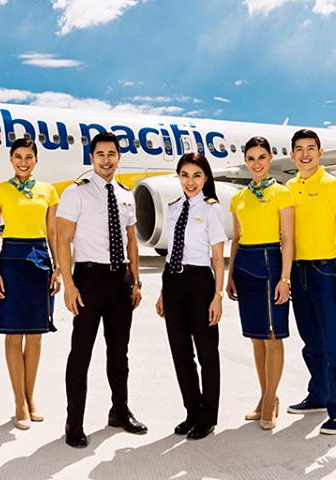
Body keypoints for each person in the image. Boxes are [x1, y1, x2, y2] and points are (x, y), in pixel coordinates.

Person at [56, 131, 147, 448]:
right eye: (100, 155)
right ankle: (74, 422)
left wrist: (135, 280)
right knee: (81, 353)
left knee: (119, 352)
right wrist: (69, 285)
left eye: (111, 154)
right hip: (88, 279)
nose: (106, 160)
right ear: (91, 158)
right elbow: (63, 240)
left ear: (118, 158)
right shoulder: (75, 193)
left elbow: (131, 239)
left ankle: (119, 411)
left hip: (120, 281)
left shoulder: (125, 195)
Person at [283, 129, 336, 435]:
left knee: (335, 345)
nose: (305, 154)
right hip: (297, 272)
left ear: (320, 152)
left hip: (326, 272)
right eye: (299, 149)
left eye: (311, 148)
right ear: (292, 155)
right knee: (311, 343)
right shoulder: (289, 187)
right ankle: (318, 395)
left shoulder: (334, 185)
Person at [0, 137, 61, 431]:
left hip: (41, 262)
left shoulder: (48, 191)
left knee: (37, 335)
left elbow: (52, 232)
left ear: (36, 160)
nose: (23, 162)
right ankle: (19, 401)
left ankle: (31, 398)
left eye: (29, 157)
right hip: (11, 262)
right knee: (14, 335)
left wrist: (58, 268)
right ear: (11, 159)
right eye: (18, 156)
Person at [155, 153, 227, 440]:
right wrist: (163, 292)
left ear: (206, 178)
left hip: (200, 283)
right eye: (184, 175)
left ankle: (207, 417)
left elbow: (218, 258)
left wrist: (217, 295)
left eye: (197, 175)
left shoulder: (211, 209)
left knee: (207, 353)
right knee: (181, 352)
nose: (190, 181)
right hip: (173, 283)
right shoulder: (173, 208)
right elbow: (171, 252)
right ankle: (192, 412)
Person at [225, 136, 294, 431]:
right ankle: (267, 396)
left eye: (262, 157)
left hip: (270, 263)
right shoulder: (238, 198)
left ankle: (268, 402)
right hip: (245, 264)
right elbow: (237, 239)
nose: (256, 163)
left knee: (273, 336)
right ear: (245, 161)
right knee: (256, 337)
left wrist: (285, 278)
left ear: (270, 159)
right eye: (251, 158)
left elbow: (288, 239)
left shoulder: (282, 193)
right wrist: (230, 274)